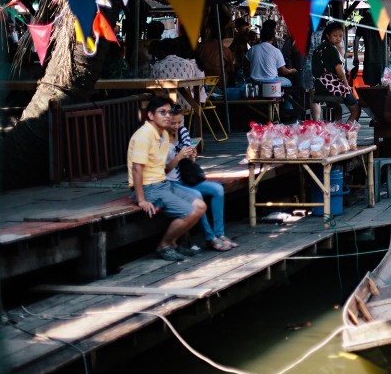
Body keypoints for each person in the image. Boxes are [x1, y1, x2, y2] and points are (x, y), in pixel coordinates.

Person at [127, 96, 206, 262]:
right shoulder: (143, 135)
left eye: (169, 112)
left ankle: (173, 243)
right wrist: (141, 200)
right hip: (148, 187)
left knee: (200, 206)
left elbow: (164, 165)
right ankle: (163, 246)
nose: (168, 116)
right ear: (150, 115)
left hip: (163, 184)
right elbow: (136, 169)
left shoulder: (163, 134)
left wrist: (190, 155)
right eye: (162, 112)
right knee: (190, 211)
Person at [165, 109, 236, 252]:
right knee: (197, 196)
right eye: (173, 123)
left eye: (179, 122)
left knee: (218, 189)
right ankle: (210, 237)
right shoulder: (161, 138)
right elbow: (162, 170)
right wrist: (178, 157)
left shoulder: (182, 132)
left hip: (185, 178)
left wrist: (192, 156)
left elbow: (188, 161)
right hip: (169, 182)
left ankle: (219, 233)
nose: (177, 126)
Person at [311, 22, 361, 123]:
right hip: (331, 86)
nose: (338, 38)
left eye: (340, 36)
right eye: (335, 36)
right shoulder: (332, 50)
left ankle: (336, 129)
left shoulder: (317, 49)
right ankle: (348, 131)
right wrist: (346, 85)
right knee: (356, 109)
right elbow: (340, 73)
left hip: (319, 86)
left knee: (337, 107)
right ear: (327, 36)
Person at [247, 23, 298, 87]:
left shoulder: (253, 49)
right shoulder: (276, 51)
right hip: (270, 84)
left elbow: (246, 64)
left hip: (255, 82)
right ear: (273, 37)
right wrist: (291, 71)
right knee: (288, 82)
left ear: (261, 36)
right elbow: (283, 71)